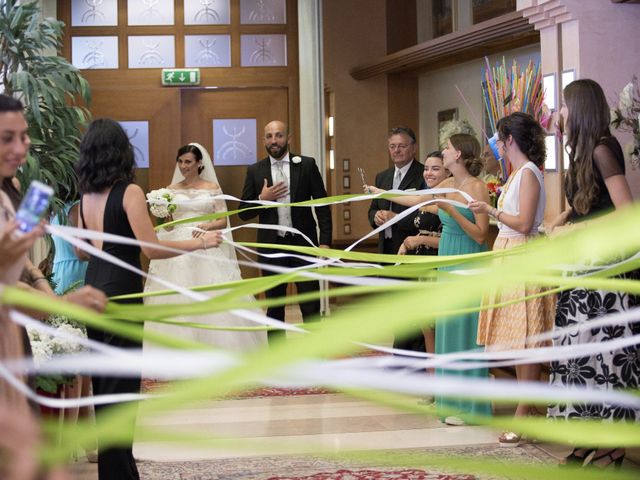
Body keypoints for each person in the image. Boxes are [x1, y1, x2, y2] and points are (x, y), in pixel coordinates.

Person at [75, 118, 221, 480]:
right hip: (121, 294)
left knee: (104, 389)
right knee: (121, 392)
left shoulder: (85, 196)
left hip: (93, 288)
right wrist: (199, 242)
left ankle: (116, 471)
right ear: (121, 151)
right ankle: (120, 473)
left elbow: (80, 252)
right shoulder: (129, 192)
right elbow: (151, 249)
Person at [368, 133, 492, 423]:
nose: (443, 153)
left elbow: (481, 234)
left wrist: (450, 210)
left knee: (465, 331)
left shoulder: (477, 187)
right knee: (448, 330)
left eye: (447, 149)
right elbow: (415, 199)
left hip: (467, 260)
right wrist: (379, 192)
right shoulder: (448, 184)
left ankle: (471, 406)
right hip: (447, 262)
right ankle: (451, 400)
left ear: (458, 154)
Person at [546, 79, 638, 469]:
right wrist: (565, 217)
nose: (558, 114)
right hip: (582, 269)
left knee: (603, 360)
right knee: (577, 356)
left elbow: (624, 212)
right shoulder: (582, 152)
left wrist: (575, 230)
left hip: (605, 274)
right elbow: (589, 204)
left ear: (578, 107)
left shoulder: (602, 148)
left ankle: (612, 442)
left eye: (563, 107)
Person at [468, 112, 555, 446]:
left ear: (510, 140)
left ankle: (524, 412)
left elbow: (522, 222)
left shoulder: (529, 173)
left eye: (499, 141)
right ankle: (529, 407)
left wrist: (490, 210)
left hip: (522, 254)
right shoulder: (517, 173)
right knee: (517, 338)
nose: (497, 147)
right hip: (508, 253)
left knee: (527, 338)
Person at [144, 143, 267, 351]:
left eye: (188, 162)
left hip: (206, 243)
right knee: (177, 296)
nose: (184, 166)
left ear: (199, 163)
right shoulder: (171, 190)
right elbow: (169, 225)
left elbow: (222, 220)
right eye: (181, 162)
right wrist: (163, 216)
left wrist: (207, 225)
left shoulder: (211, 188)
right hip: (179, 244)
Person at [239, 120, 332, 345]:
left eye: (278, 135)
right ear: (263, 140)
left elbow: (322, 204)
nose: (274, 141)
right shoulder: (255, 170)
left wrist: (325, 242)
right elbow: (242, 212)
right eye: (269, 136)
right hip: (272, 248)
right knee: (275, 303)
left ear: (288, 138)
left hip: (303, 245)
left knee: (310, 302)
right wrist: (263, 199)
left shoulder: (307, 165)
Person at [368, 126, 424, 256]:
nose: (396, 150)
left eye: (402, 146)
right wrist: (375, 216)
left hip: (411, 248)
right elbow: (372, 209)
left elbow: (425, 213)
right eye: (392, 146)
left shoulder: (424, 175)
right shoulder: (382, 177)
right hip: (385, 248)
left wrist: (396, 218)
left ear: (414, 148)